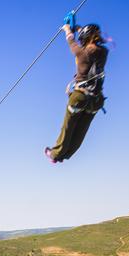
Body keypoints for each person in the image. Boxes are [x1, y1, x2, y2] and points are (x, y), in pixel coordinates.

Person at [45, 21, 108, 164]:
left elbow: (71, 40)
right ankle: (65, 155)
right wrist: (79, 28)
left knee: (67, 128)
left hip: (80, 96)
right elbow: (90, 40)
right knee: (81, 131)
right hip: (96, 100)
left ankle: (55, 154)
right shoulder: (104, 52)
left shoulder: (81, 52)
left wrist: (67, 29)